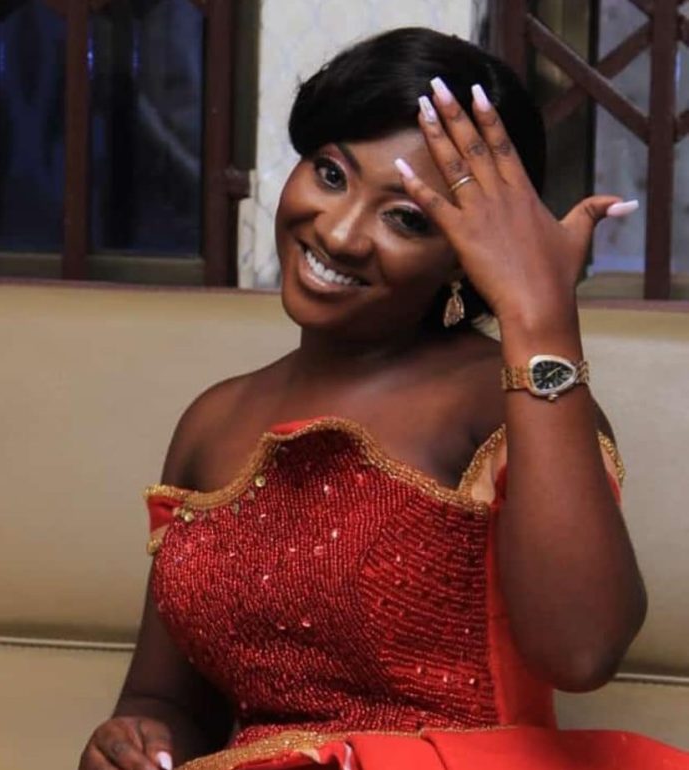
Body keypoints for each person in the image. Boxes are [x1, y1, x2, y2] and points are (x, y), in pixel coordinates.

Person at [79, 27, 689, 770]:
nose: (340, 234)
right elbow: (166, 703)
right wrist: (134, 741)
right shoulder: (213, 420)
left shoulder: (501, 399)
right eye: (331, 173)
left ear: (465, 257)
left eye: (406, 218)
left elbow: (583, 649)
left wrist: (539, 319)